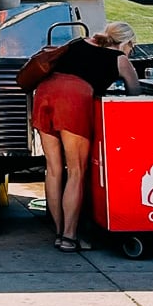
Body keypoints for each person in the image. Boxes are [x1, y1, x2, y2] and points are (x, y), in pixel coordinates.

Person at [33, 21, 141, 251]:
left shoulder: (79, 43)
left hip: (44, 94)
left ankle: (60, 232)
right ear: (126, 43)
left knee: (53, 169)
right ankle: (70, 237)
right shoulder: (120, 59)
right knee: (76, 171)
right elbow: (135, 92)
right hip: (72, 100)